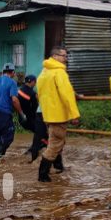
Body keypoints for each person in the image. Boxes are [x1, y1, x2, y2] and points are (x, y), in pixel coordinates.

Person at [36, 47, 80, 182]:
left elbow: (40, 95)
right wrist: (74, 114)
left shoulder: (43, 73)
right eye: (64, 56)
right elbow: (66, 95)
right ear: (55, 56)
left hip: (48, 115)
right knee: (55, 144)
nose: (65, 59)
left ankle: (58, 166)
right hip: (59, 115)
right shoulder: (59, 73)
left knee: (57, 141)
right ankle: (43, 175)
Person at [0, 63, 26, 162]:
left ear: (3, 72)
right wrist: (21, 113)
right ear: (12, 72)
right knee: (8, 136)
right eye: (14, 73)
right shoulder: (12, 82)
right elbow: (15, 100)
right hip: (4, 113)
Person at [17, 74, 39, 153]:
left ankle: (35, 148)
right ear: (32, 82)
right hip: (29, 119)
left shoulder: (19, 90)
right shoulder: (32, 94)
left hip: (21, 118)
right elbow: (35, 108)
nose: (35, 84)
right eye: (35, 82)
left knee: (38, 132)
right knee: (40, 131)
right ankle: (34, 149)